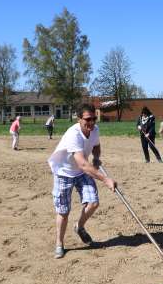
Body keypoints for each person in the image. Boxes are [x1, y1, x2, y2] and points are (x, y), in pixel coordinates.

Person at [47, 104, 116, 259]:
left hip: (81, 172)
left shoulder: (95, 130)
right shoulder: (73, 134)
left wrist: (96, 157)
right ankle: (59, 243)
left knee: (93, 202)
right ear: (78, 119)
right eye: (87, 119)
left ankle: (79, 226)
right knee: (64, 211)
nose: (91, 122)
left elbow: (96, 146)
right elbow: (83, 164)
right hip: (64, 172)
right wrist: (106, 179)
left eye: (94, 118)